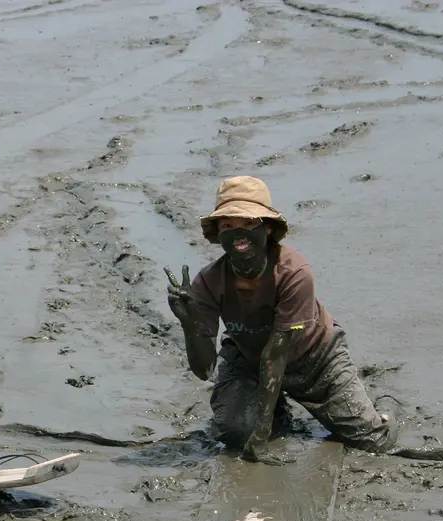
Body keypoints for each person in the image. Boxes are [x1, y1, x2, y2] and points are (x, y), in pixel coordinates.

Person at [164, 175, 398, 464]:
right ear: (218, 233)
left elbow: (276, 354)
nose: (239, 234)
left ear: (268, 228)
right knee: (235, 432)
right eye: (228, 226)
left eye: (249, 223)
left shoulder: (294, 272)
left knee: (373, 442)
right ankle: (277, 413)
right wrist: (190, 325)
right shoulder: (209, 281)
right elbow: (204, 370)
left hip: (314, 359)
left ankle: (387, 406)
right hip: (249, 361)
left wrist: (260, 438)